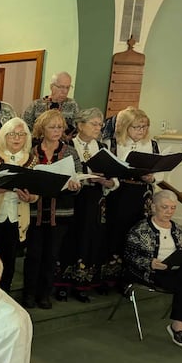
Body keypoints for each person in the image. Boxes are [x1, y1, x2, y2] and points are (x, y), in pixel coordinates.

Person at [124, 190, 182, 355]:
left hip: (175, 271)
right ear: (154, 207)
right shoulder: (140, 229)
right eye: (165, 207)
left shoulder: (177, 229)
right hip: (151, 273)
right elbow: (129, 257)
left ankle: (180, 329)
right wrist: (150, 263)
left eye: (173, 208)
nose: (169, 211)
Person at [22, 109, 82, 309]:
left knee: (51, 255)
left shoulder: (70, 152)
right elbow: (25, 177)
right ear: (41, 129)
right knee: (33, 255)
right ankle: (29, 294)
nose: (57, 131)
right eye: (52, 127)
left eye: (60, 127)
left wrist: (75, 184)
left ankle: (44, 295)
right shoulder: (31, 151)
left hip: (60, 212)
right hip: (34, 211)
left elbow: (78, 176)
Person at [56, 107, 118, 301]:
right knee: (68, 240)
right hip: (72, 199)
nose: (98, 128)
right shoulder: (66, 145)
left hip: (94, 200)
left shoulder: (103, 148)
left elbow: (114, 179)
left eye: (100, 125)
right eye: (93, 124)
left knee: (89, 240)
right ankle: (62, 285)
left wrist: (106, 182)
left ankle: (82, 283)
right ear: (80, 125)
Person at [0, 118, 38, 292]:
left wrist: (30, 197)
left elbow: (36, 193)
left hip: (16, 217)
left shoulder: (32, 160)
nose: (17, 138)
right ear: (4, 136)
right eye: (12, 134)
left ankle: (3, 295)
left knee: (9, 261)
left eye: (21, 134)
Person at [103, 106, 160, 288]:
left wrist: (153, 177)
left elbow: (160, 170)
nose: (141, 131)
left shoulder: (151, 144)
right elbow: (107, 168)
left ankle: (131, 278)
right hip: (120, 194)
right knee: (116, 233)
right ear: (125, 127)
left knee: (137, 235)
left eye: (144, 127)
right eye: (136, 127)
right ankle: (108, 278)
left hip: (142, 195)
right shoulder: (113, 143)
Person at [22, 72, 80, 137]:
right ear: (52, 87)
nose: (65, 91)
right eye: (61, 87)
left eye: (68, 87)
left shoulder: (73, 105)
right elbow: (24, 127)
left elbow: (78, 129)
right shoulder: (36, 105)